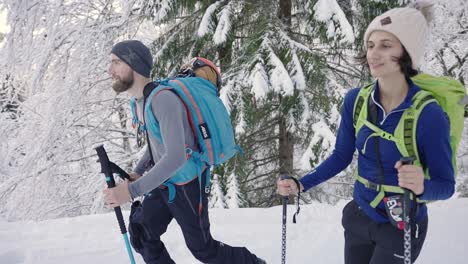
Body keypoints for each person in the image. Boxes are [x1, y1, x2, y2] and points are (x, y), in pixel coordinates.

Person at [277, 3, 456, 264]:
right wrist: (301, 183)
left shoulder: (428, 114)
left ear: (407, 53)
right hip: (360, 215)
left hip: (400, 226)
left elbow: (446, 185)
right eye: (371, 45)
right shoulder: (356, 101)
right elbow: (341, 155)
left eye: (386, 45)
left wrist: (422, 187)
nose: (373, 53)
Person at [103, 40, 266, 264]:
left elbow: (176, 156)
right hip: (164, 182)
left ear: (135, 64)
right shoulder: (141, 102)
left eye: (116, 62)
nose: (109, 69)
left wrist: (131, 191)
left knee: (204, 249)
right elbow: (157, 144)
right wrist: (139, 171)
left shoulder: (163, 100)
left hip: (187, 184)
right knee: (142, 234)